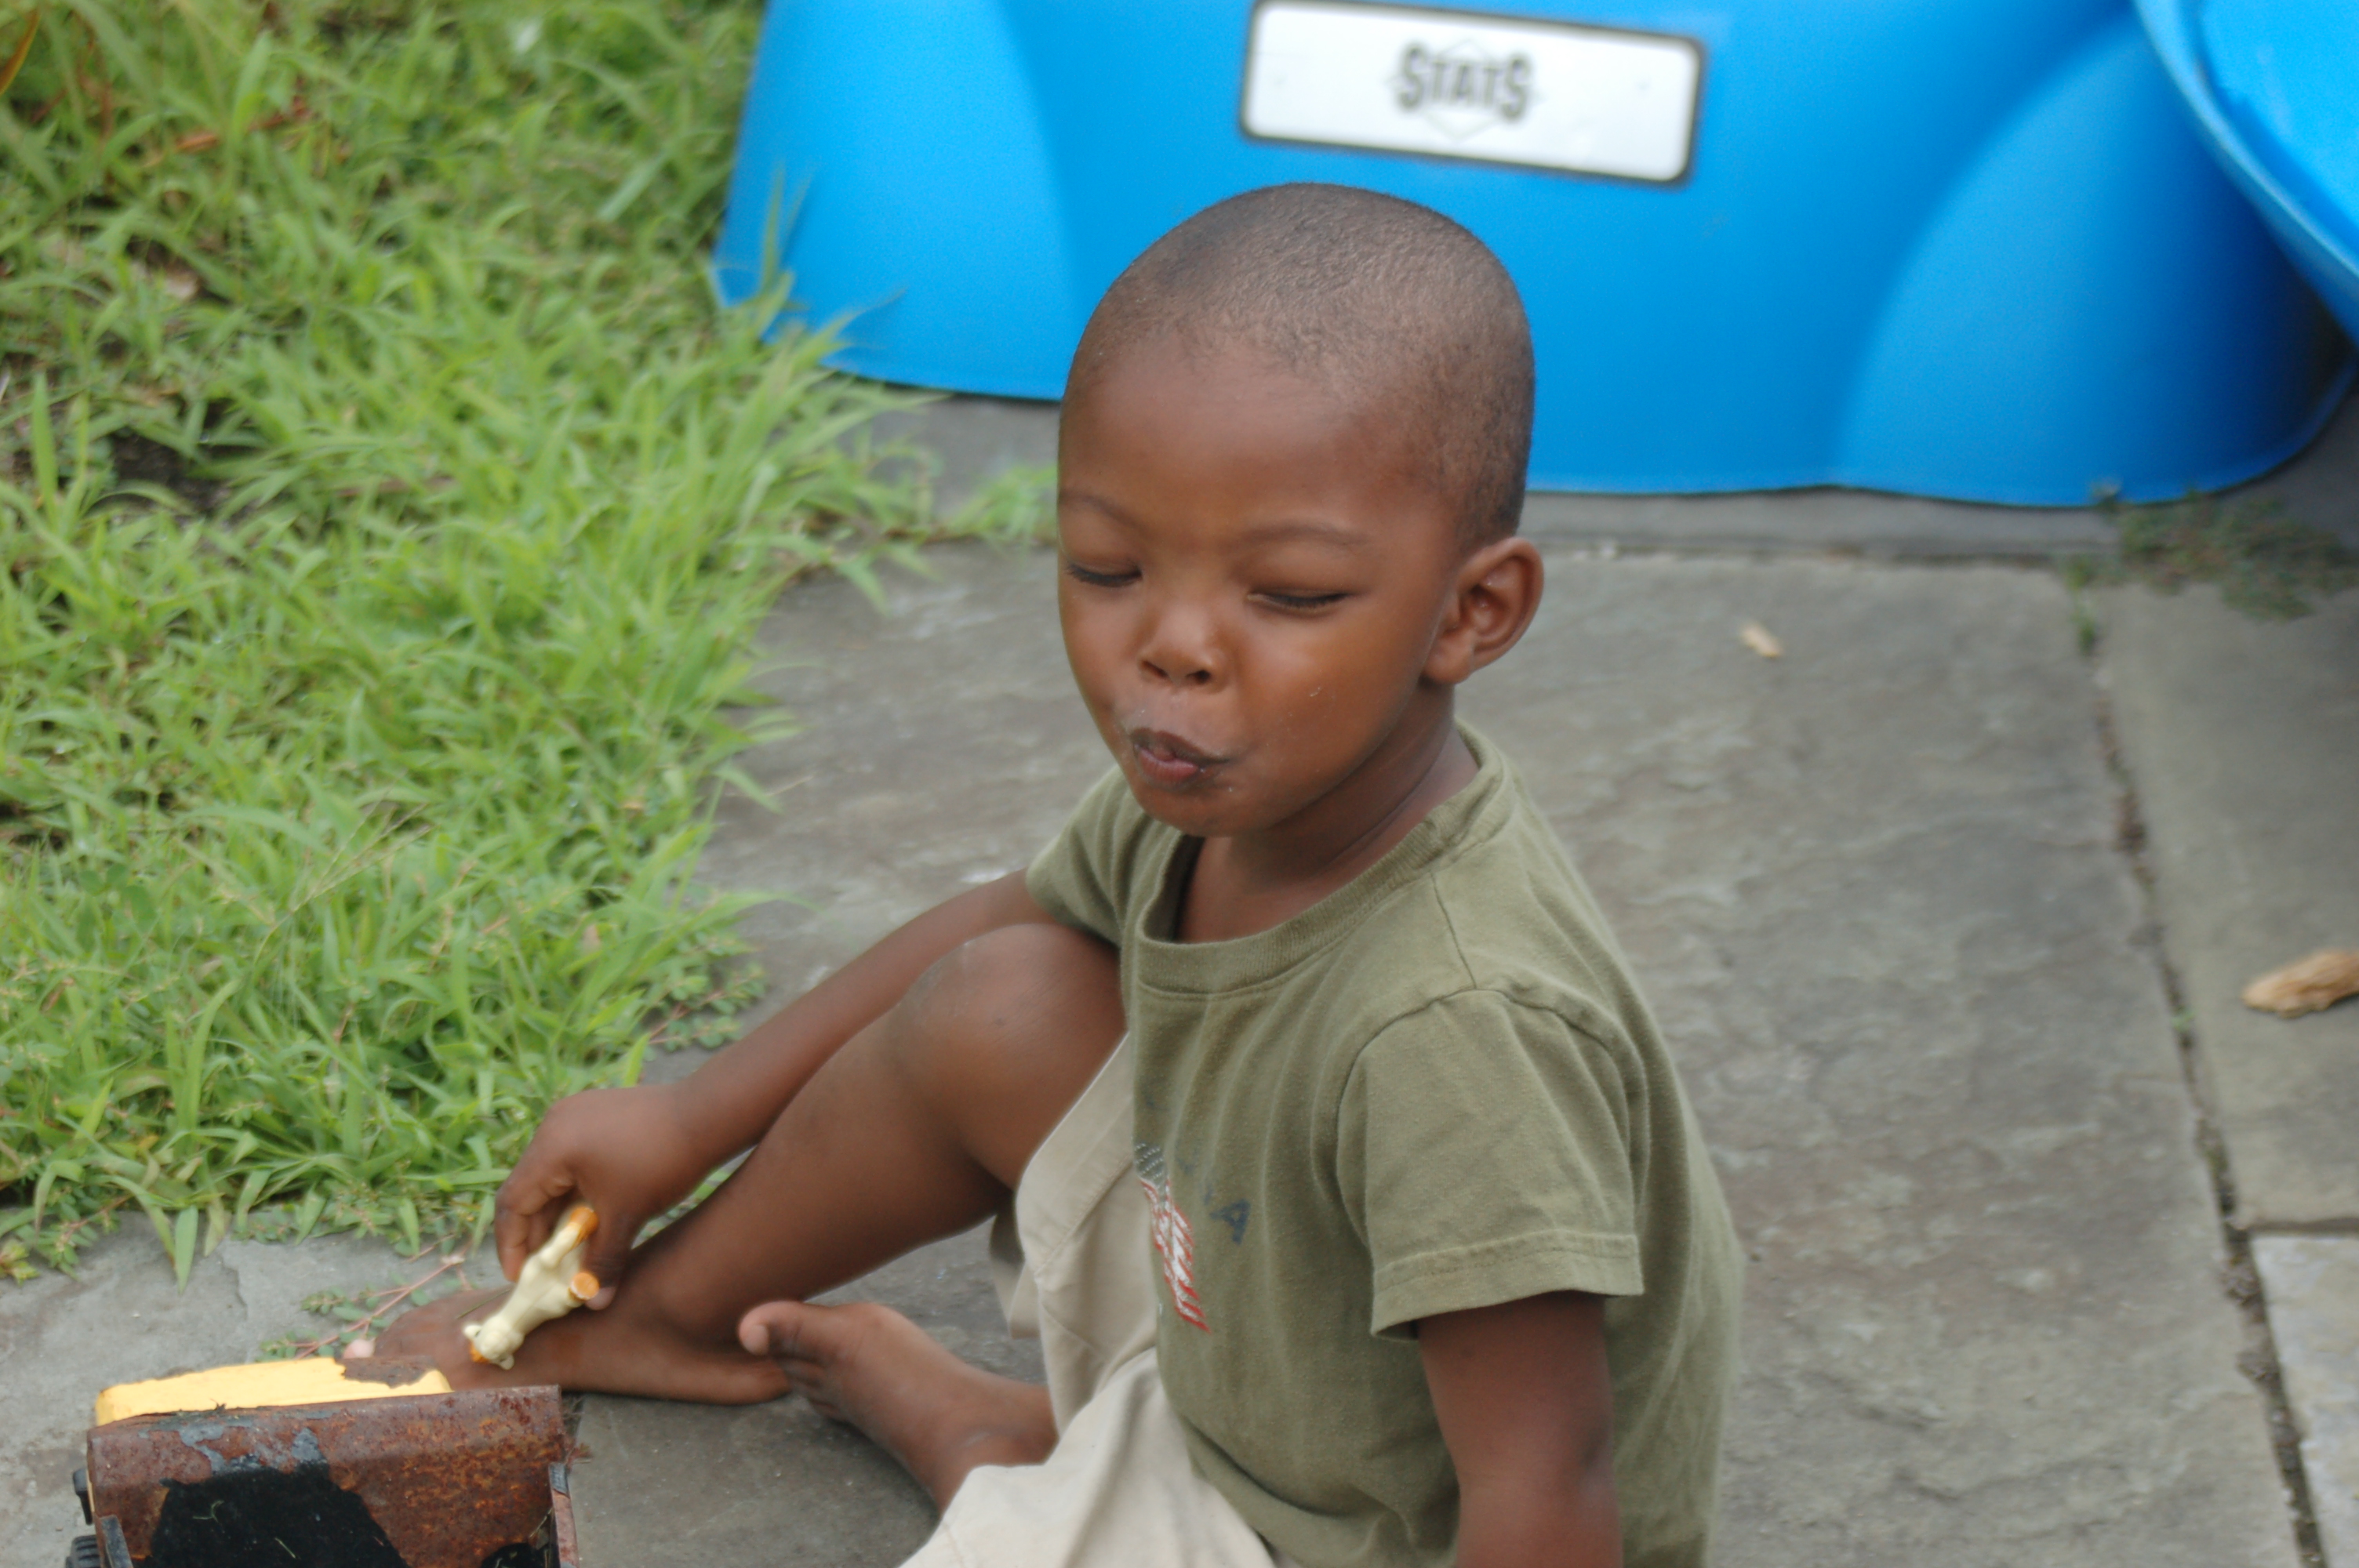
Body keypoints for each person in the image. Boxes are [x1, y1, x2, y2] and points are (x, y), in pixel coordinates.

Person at [369, 183, 1741, 1568]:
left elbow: (1547, 1493)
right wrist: (685, 1118)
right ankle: (678, 1327)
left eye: (1290, 594)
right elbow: (998, 929)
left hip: (1369, 1537)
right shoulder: (1231, 790)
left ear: (1473, 611)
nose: (1175, 648)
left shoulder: (1458, 1027)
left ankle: (1017, 1458)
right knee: (1005, 998)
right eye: (1108, 567)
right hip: (1268, 1345)